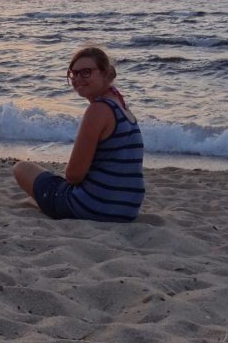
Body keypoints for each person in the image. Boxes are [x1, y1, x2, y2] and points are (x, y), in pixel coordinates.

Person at [13, 46, 145, 222]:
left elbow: (74, 175)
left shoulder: (98, 109)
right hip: (127, 210)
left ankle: (38, 202)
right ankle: (39, 200)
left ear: (105, 73)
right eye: (73, 73)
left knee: (21, 168)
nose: (77, 79)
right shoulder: (121, 107)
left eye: (86, 72)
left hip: (94, 207)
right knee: (52, 182)